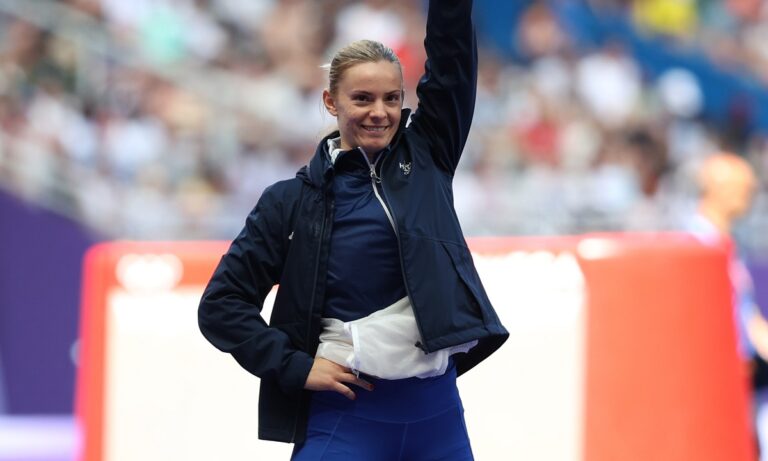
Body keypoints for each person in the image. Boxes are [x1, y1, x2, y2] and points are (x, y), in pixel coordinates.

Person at [197, 1, 509, 459]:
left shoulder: (429, 156)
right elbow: (221, 305)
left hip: (437, 418)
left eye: (391, 99)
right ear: (331, 102)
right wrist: (295, 366)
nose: (379, 112)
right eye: (362, 99)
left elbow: (453, 55)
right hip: (344, 417)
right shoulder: (289, 202)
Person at [688, 152, 768, 459]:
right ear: (718, 189)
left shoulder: (728, 244)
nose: (750, 195)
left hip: (741, 377)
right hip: (714, 379)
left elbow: (747, 316)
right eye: (743, 187)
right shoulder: (693, 243)